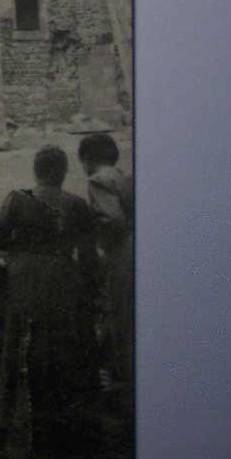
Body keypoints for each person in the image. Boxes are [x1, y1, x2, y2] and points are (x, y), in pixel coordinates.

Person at [0, 145, 101, 450]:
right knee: (65, 343)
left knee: (15, 340)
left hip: (22, 277)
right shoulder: (76, 205)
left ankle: (5, 414)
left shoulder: (15, 199)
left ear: (36, 171)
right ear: (63, 172)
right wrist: (92, 292)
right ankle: (68, 414)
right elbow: (89, 257)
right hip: (63, 278)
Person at [78, 132, 133, 396]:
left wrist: (96, 236)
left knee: (118, 309)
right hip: (132, 247)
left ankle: (122, 378)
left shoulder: (98, 181)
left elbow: (112, 220)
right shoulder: (121, 176)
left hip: (118, 251)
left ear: (87, 159)